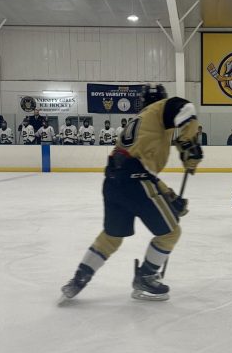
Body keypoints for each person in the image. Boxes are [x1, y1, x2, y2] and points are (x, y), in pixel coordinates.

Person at [60, 84, 203, 302]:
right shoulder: (160, 109)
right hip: (136, 182)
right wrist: (189, 144)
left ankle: (79, 278)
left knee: (112, 237)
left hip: (113, 181)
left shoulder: (141, 121)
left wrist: (169, 197)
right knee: (171, 233)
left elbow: (139, 168)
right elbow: (185, 107)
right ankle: (145, 277)